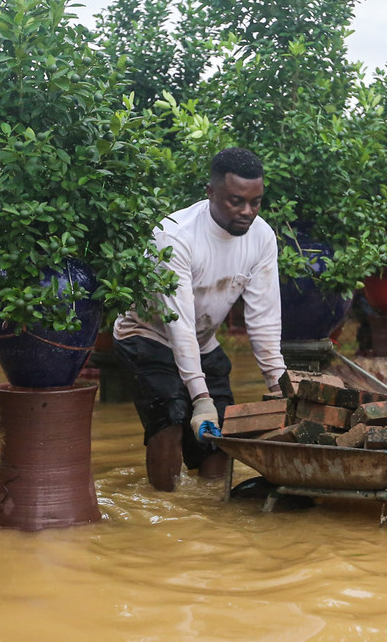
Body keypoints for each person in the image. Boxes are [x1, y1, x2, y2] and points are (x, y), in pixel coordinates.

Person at [114, 147, 286, 491]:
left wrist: (279, 385)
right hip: (146, 334)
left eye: (256, 202)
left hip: (204, 340)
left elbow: (264, 320)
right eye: (236, 201)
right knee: (171, 420)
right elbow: (178, 323)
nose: (247, 212)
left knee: (220, 436)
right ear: (210, 193)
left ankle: (210, 514)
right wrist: (199, 397)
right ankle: (165, 511)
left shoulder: (262, 237)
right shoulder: (175, 236)